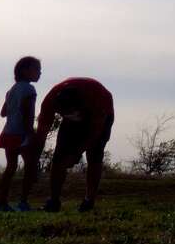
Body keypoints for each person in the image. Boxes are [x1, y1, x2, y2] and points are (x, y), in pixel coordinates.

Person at [29, 77, 115, 212]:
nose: (72, 117)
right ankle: (53, 201)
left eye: (74, 114)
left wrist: (76, 154)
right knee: (58, 158)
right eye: (65, 114)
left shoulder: (98, 101)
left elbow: (94, 135)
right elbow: (41, 136)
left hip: (101, 113)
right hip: (75, 111)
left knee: (95, 155)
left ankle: (89, 201)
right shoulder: (50, 102)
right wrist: (33, 163)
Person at [0, 56, 41, 212]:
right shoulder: (29, 90)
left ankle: (1, 202)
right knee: (30, 167)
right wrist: (31, 134)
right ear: (25, 71)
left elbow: (3, 112)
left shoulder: (11, 90)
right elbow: (29, 114)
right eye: (36, 69)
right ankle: (23, 202)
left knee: (11, 168)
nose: (39, 73)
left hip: (8, 132)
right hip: (22, 134)